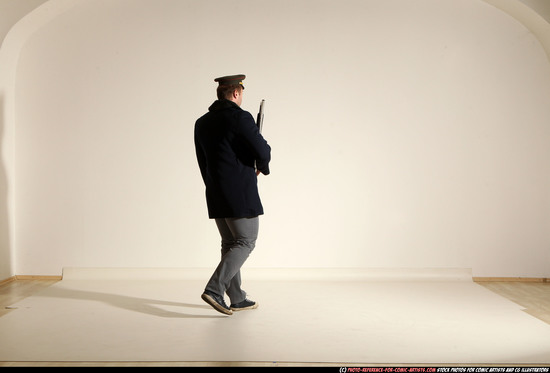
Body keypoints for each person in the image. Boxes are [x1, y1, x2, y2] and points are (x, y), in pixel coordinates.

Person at [194, 74, 271, 315]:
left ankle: (236, 297)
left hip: (216, 191)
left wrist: (213, 185)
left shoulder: (202, 122)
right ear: (236, 93)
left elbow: (202, 161)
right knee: (246, 241)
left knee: (230, 243)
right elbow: (263, 150)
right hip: (239, 192)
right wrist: (262, 167)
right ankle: (215, 289)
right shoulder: (241, 117)